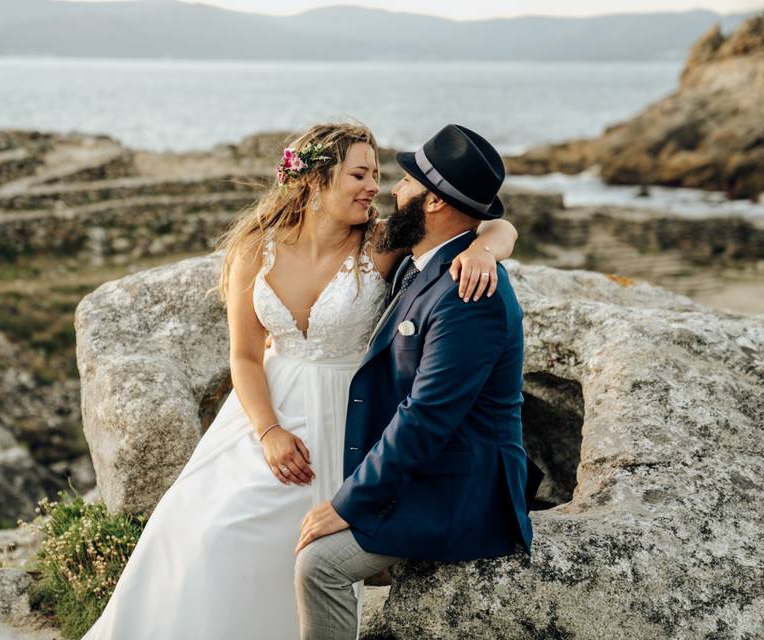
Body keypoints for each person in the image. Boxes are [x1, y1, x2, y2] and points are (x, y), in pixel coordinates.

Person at [80, 122, 521, 639]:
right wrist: (268, 432)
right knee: (201, 529)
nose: (373, 188)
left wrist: (485, 247)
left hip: (343, 417)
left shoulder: (381, 244)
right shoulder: (254, 249)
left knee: (291, 547)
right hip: (267, 412)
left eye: (378, 176)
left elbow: (484, 226)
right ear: (314, 179)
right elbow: (244, 356)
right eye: (360, 174)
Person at [293, 124, 538, 640]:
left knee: (320, 565)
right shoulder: (424, 261)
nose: (393, 191)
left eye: (405, 183)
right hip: (432, 471)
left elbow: (427, 417)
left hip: (460, 491)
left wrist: (348, 504)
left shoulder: (471, 293)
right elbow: (498, 228)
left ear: (430, 203)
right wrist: (487, 241)